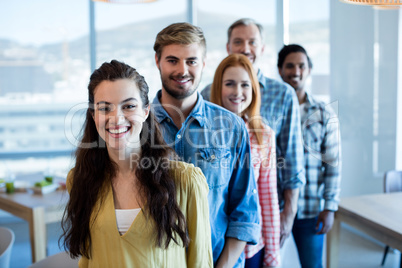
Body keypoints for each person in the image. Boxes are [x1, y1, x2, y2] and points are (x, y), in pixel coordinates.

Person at [60, 60, 213, 267]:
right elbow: (88, 260)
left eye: (129, 106)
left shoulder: (185, 181)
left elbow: (201, 262)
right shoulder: (79, 179)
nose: (117, 118)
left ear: (146, 111)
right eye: (105, 108)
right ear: (93, 115)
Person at [152, 22, 260, 268]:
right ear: (157, 60)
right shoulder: (137, 128)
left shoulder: (232, 127)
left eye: (191, 61)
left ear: (203, 63)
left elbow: (244, 211)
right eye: (172, 60)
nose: (182, 70)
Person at [201, 18, 305, 248]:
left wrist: (288, 214)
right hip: (214, 217)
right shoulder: (207, 93)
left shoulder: (283, 94)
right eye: (238, 41)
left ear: (262, 47)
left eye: (252, 42)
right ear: (228, 46)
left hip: (263, 210)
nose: (245, 48)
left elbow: (291, 158)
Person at [210, 53, 280, 267]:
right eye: (229, 84)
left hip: (251, 246)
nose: (237, 92)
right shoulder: (203, 133)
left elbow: (268, 198)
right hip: (214, 243)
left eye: (245, 85)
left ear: (254, 90)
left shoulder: (264, 135)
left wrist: (273, 254)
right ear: (218, 88)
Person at [277, 44, 341, 268]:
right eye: (290, 66)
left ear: (309, 70)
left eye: (301, 65)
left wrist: (330, 206)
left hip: (311, 208)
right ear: (279, 69)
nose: (296, 71)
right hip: (274, 208)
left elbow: (332, 164)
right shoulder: (270, 111)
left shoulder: (324, 113)